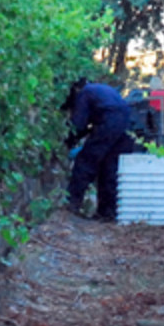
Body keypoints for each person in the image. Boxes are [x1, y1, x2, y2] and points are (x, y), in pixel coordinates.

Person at [60, 77, 136, 222]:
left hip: (110, 123)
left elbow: (78, 124)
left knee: (86, 162)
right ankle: (108, 213)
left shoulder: (84, 93)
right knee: (110, 168)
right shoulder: (102, 90)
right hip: (127, 126)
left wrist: (68, 142)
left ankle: (71, 204)